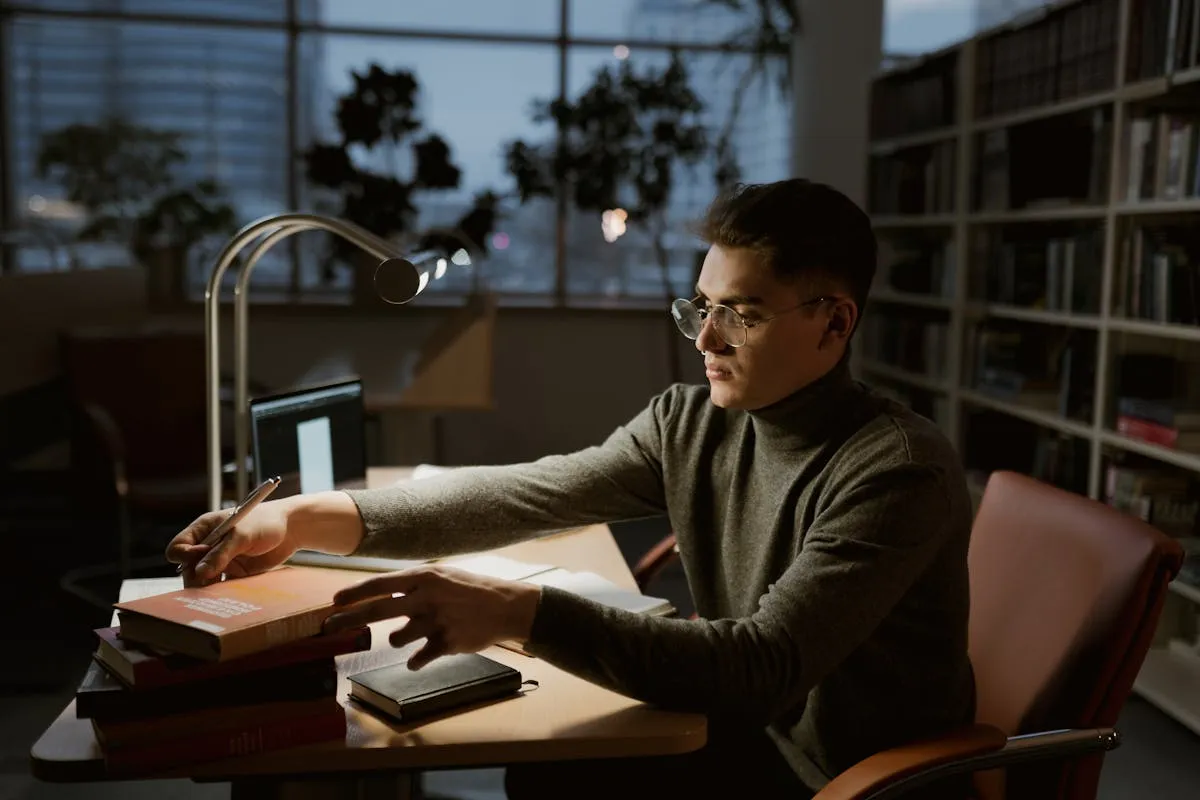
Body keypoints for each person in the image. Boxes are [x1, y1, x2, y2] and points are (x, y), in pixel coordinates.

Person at [168, 178, 976, 799]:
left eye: (742, 314)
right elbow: (530, 492)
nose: (704, 337)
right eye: (700, 305)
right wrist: (304, 517)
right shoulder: (692, 421)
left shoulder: (895, 468)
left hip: (840, 779)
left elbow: (763, 667)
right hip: (751, 734)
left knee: (558, 772)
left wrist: (517, 613)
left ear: (834, 322)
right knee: (552, 766)